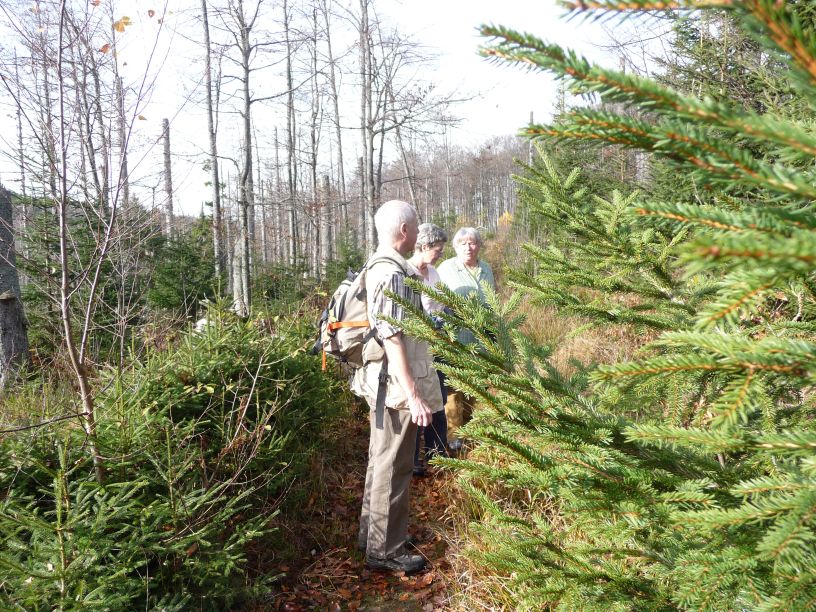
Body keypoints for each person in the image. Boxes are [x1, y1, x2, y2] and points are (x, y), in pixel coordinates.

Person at [350, 200, 444, 575]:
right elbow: (393, 339)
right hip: (395, 388)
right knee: (394, 465)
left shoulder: (383, 266)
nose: (420, 231)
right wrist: (415, 395)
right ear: (404, 231)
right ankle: (384, 551)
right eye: (416, 225)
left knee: (382, 462)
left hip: (386, 384)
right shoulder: (392, 273)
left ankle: (372, 537)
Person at [436, 227, 496, 450]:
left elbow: (492, 302)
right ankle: (453, 439)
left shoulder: (486, 269)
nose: (468, 247)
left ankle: (469, 435)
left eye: (472, 243)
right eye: (463, 243)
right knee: (453, 392)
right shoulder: (446, 269)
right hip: (453, 341)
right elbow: (434, 302)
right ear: (456, 247)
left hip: (480, 342)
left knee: (474, 390)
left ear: (479, 246)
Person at [407, 223, 449, 477]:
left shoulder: (433, 273)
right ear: (424, 247)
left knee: (439, 400)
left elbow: (441, 305)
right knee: (415, 403)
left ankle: (438, 455)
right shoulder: (405, 272)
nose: (440, 254)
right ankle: (412, 461)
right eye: (438, 249)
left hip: (436, 344)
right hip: (413, 350)